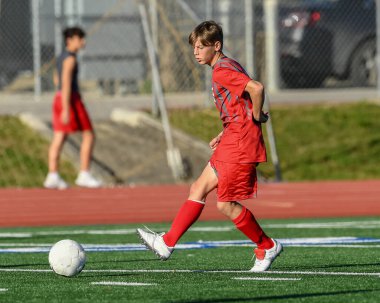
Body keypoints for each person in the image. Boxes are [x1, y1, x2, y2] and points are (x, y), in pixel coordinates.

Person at [137, 21, 282, 272]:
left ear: (216, 46)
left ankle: (267, 245)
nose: (196, 52)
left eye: (201, 47)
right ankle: (166, 243)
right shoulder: (228, 65)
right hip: (233, 137)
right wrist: (224, 131)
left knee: (225, 205)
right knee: (198, 187)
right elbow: (241, 104)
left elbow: (257, 89)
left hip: (240, 143)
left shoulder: (221, 71)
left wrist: (256, 117)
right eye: (194, 47)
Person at [43, 27, 101, 189]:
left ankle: (52, 174)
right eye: (80, 39)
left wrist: (61, 98)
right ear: (70, 40)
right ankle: (84, 173)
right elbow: (66, 82)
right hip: (70, 99)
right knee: (89, 135)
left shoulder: (62, 57)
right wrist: (66, 108)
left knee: (60, 136)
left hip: (60, 97)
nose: (83, 42)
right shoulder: (70, 59)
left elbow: (57, 79)